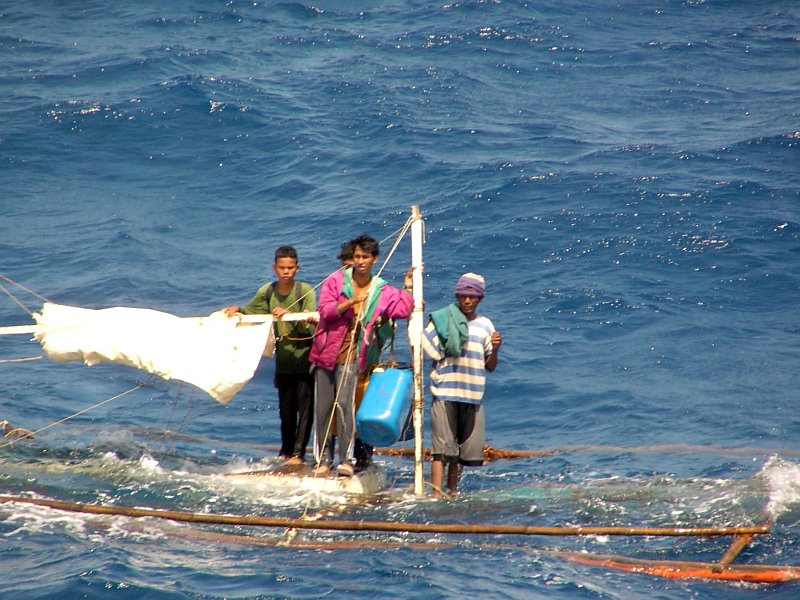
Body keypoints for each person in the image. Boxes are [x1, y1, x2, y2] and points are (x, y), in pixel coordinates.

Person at [310, 234, 414, 478]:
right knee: (323, 409)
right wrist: (349, 304)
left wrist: (407, 285)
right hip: (325, 353)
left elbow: (402, 308)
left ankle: (345, 460)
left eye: (365, 257)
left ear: (374, 259)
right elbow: (324, 311)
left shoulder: (382, 290)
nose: (360, 261)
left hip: (352, 356)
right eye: (357, 256)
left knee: (345, 408)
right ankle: (322, 459)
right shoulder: (336, 281)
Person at [223, 246, 317, 465]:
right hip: (283, 363)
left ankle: (299, 454)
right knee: (286, 411)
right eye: (282, 268)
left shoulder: (305, 291)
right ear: (274, 268)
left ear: (297, 268)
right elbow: (252, 311)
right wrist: (238, 308)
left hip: (305, 361)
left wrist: (289, 315)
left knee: (305, 410)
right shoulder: (267, 291)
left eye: (291, 268)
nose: (286, 272)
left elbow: (312, 324)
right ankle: (286, 452)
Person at [422, 273, 502, 495]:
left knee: (458, 452)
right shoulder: (442, 320)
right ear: (457, 296)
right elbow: (426, 348)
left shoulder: (485, 326)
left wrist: (495, 349)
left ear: (479, 298)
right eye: (463, 296)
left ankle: (451, 492)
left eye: (472, 296)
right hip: (444, 391)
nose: (467, 301)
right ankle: (437, 494)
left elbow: (490, 366)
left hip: (471, 395)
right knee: (440, 451)